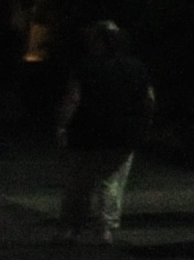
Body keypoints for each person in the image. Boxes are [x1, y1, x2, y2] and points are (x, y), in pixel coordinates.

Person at [52, 20, 153, 245]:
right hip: (123, 135)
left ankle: (71, 228)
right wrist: (144, 127)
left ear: (99, 41)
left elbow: (73, 99)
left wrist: (61, 126)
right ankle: (104, 228)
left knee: (79, 182)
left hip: (86, 133)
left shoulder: (85, 66)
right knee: (112, 181)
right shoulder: (136, 67)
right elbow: (148, 100)